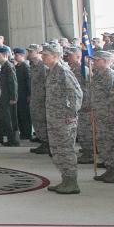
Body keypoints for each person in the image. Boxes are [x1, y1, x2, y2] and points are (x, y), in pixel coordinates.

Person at [42, 43, 83, 194]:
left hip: (64, 119)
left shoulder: (63, 71)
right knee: (57, 149)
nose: (43, 57)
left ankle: (72, 182)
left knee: (65, 149)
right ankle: (65, 179)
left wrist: (71, 114)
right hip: (54, 117)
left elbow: (77, 93)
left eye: (45, 55)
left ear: (55, 56)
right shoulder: (52, 71)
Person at [88, 50, 114, 183]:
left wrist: (112, 117)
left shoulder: (111, 76)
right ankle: (109, 169)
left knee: (113, 144)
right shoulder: (98, 75)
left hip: (111, 117)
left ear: (105, 61)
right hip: (101, 115)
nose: (94, 62)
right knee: (104, 144)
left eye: (97, 60)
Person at [0, 47, 20, 146]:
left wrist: (13, 97)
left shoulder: (8, 66)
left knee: (9, 119)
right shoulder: (3, 66)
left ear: (5, 55)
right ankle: (5, 138)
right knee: (3, 118)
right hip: (2, 96)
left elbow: (13, 82)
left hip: (7, 97)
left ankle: (12, 140)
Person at [28, 45, 49, 154]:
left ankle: (47, 143)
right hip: (35, 97)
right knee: (36, 120)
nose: (29, 53)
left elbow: (47, 84)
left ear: (38, 52)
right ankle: (43, 141)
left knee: (43, 120)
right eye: (29, 51)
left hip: (42, 98)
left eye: (31, 51)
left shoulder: (43, 66)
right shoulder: (33, 66)